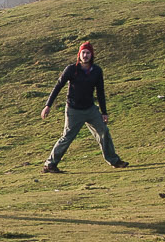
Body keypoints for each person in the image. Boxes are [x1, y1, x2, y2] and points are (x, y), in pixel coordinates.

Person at [41, 41, 128, 172]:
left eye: (88, 53)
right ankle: (50, 164)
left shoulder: (97, 71)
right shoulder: (71, 69)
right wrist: (48, 105)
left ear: (91, 55)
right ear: (79, 54)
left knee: (104, 132)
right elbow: (58, 86)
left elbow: (100, 92)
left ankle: (114, 161)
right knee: (67, 137)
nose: (85, 55)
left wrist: (104, 112)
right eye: (83, 53)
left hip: (90, 109)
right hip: (73, 110)